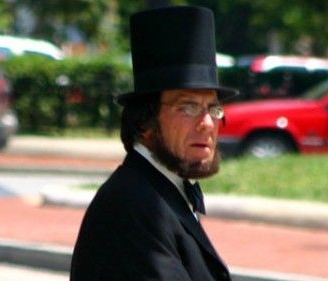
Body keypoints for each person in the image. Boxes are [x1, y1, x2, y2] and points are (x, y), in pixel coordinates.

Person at [70, 5, 238, 281]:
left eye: (213, 108)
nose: (207, 123)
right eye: (188, 107)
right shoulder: (136, 206)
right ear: (145, 123)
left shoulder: (157, 191)